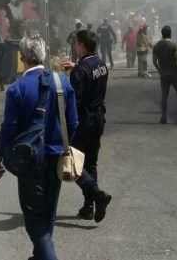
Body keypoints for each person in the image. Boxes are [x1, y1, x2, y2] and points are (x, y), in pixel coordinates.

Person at [0, 35, 78, 260]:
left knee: (33, 221)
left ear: (22, 58)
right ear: (44, 55)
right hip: (57, 158)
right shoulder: (63, 83)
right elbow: (74, 122)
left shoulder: (16, 89)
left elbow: (8, 129)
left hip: (30, 163)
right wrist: (62, 146)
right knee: (48, 215)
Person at [61, 30, 113, 223]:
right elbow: (90, 75)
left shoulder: (80, 70)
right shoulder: (101, 64)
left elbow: (75, 101)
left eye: (76, 43)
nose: (75, 46)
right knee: (90, 163)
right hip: (99, 119)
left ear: (82, 45)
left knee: (73, 162)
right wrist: (77, 68)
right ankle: (89, 207)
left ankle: (97, 194)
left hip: (83, 121)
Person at [152, 26, 177, 125]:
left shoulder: (157, 46)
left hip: (164, 74)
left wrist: (159, 69)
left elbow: (154, 61)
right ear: (170, 34)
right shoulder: (173, 45)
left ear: (162, 33)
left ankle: (163, 118)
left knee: (164, 97)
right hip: (174, 73)